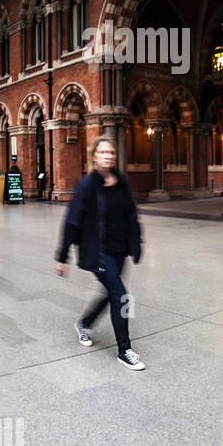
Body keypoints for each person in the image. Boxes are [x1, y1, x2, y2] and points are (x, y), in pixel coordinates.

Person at [53, 138, 145, 369]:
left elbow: (131, 216)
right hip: (98, 252)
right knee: (122, 295)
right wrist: (62, 257)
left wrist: (136, 244)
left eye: (111, 151)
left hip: (119, 250)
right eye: (102, 152)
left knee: (110, 293)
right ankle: (124, 350)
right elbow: (72, 222)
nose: (107, 155)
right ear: (94, 156)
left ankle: (84, 323)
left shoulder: (121, 183)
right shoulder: (87, 185)